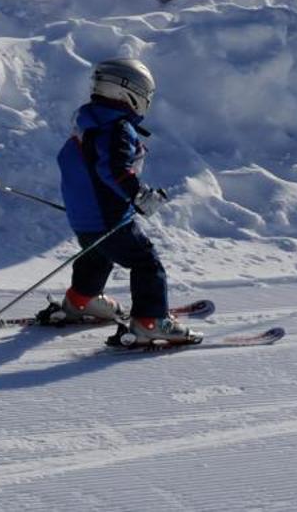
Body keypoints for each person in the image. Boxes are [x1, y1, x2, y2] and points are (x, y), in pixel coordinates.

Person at [54, 57, 200, 346]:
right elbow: (115, 169)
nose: (146, 100)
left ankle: (81, 300)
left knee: (98, 254)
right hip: (109, 216)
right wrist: (138, 195)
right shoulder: (116, 128)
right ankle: (150, 321)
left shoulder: (88, 124)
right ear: (126, 91)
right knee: (145, 262)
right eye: (145, 93)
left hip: (84, 218)